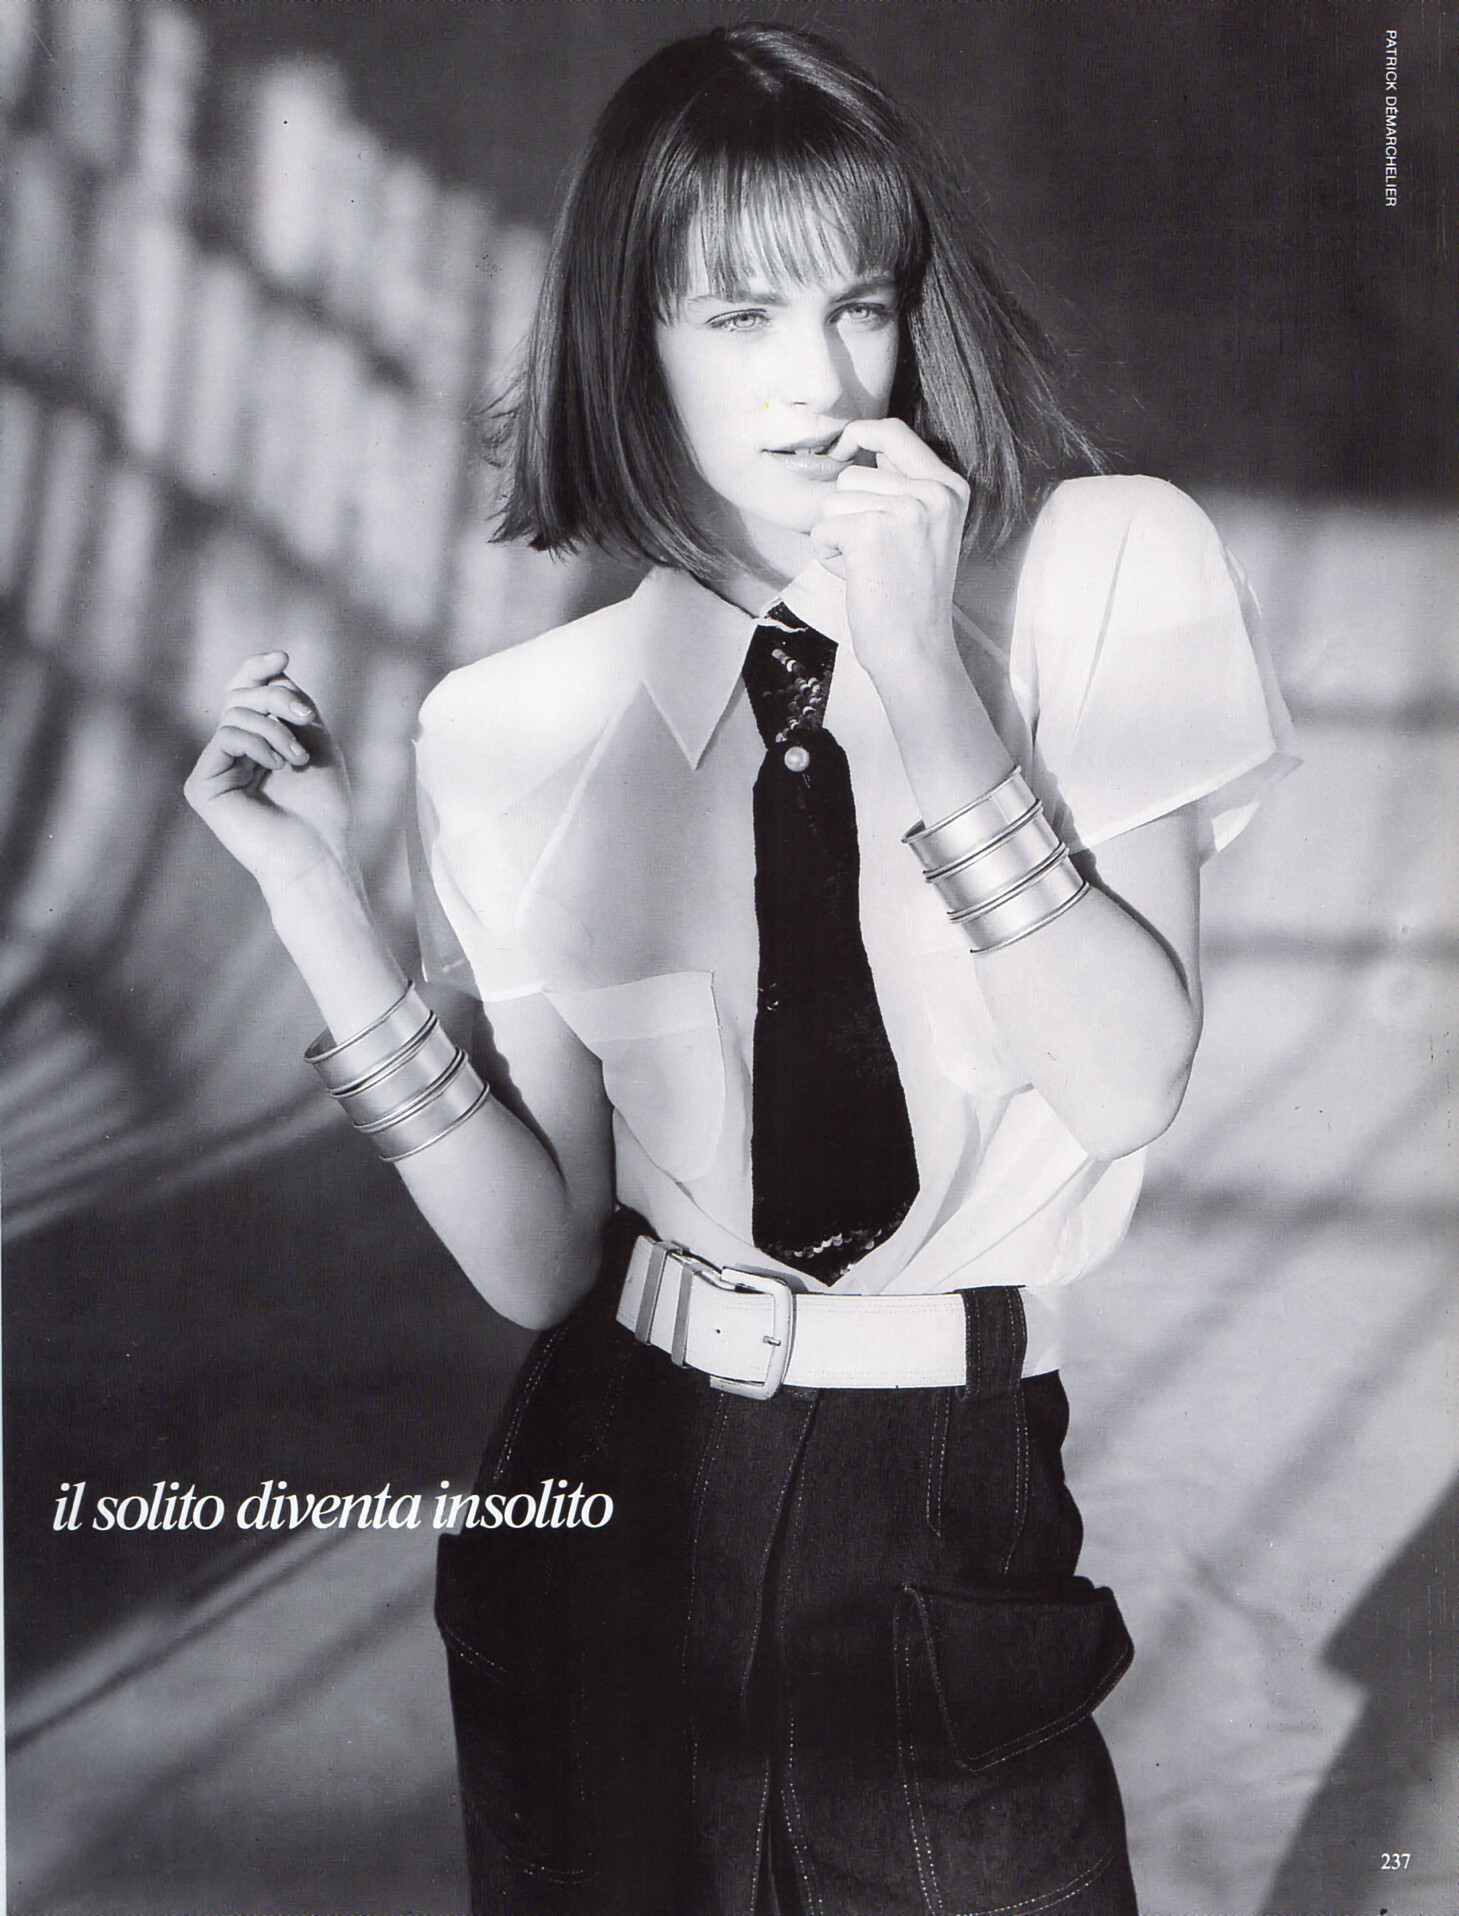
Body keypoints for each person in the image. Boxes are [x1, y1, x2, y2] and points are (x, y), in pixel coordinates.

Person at [185, 24, 1294, 1915]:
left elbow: (1124, 1081)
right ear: (632, 340)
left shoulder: (1109, 568)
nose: (820, 380)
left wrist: (919, 666)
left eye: (858, 305)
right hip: (607, 1495)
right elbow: (544, 1260)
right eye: (738, 316)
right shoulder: (506, 729)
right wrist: (314, 905)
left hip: (943, 1496)